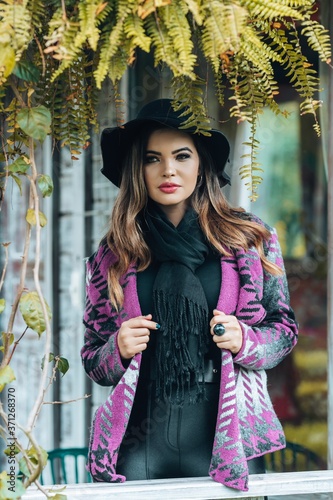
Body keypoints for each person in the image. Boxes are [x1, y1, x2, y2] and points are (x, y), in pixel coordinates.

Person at [81, 98, 298, 492]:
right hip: (139, 447)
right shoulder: (114, 254)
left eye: (182, 155)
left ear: (201, 163)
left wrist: (245, 340)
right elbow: (93, 360)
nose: (168, 170)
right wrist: (118, 347)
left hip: (224, 447)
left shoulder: (249, 240)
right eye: (152, 159)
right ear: (138, 169)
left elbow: (284, 331)